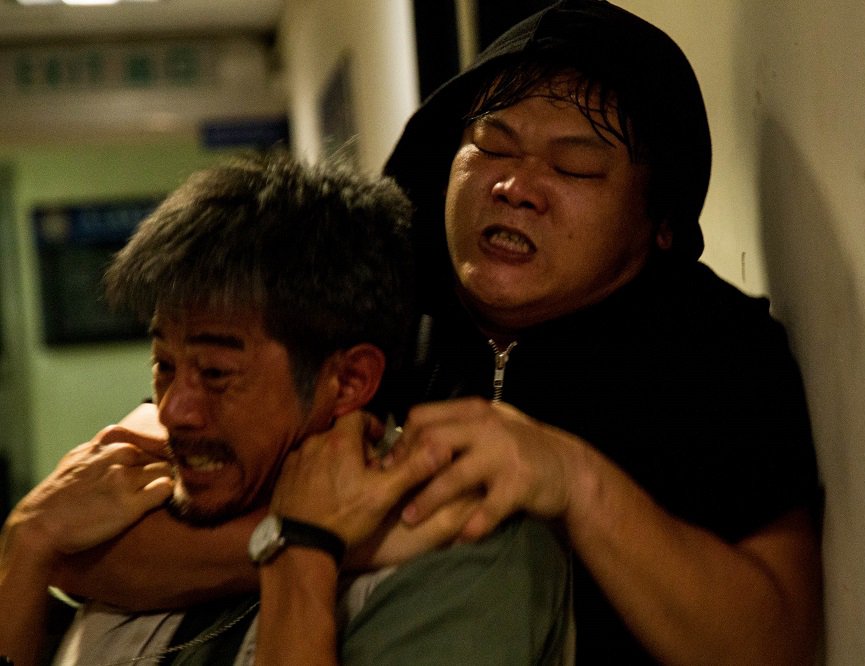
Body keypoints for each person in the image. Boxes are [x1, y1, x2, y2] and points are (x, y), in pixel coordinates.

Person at [52, 1, 822, 663]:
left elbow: (772, 642)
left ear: (659, 222)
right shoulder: (367, 293)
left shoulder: (714, 355)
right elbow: (91, 543)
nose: (515, 187)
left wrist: (574, 482)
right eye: (491, 145)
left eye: (575, 168)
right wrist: (331, 539)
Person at [0, 153, 570, 665]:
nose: (173, 411)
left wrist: (304, 548)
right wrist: (26, 541)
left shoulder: (464, 551)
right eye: (163, 364)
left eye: (216, 373)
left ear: (348, 380)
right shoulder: (136, 507)